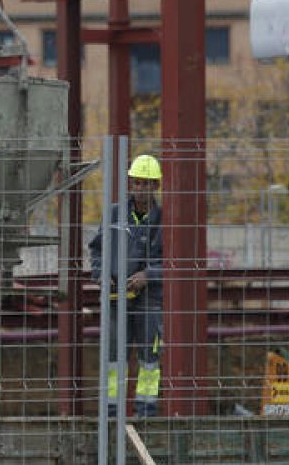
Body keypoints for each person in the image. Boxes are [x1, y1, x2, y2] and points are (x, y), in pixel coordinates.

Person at [89, 153, 163, 418]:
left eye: (148, 183)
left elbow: (177, 260)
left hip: (150, 300)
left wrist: (149, 275)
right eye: (138, 183)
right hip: (115, 297)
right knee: (113, 358)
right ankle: (112, 412)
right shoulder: (114, 213)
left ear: (156, 186)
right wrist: (101, 273)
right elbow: (96, 250)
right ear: (131, 182)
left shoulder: (165, 218)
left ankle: (146, 411)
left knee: (149, 360)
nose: (142, 189)